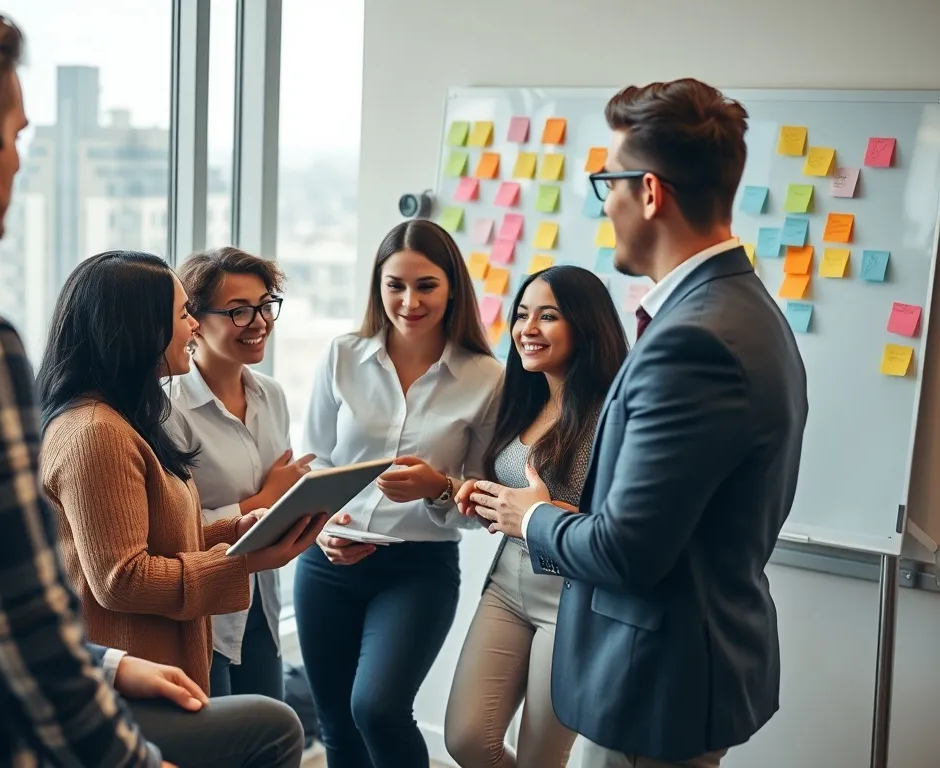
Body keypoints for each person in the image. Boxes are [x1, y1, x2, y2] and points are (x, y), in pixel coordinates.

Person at [0, 3, 303, 767]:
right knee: (274, 728)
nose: (21, 161)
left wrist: (246, 532)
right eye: (20, 137)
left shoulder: (131, 416)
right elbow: (30, 619)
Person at [469, 78, 808, 768]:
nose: (609, 206)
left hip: (656, 672)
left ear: (650, 193)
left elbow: (628, 552)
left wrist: (533, 517)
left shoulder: (696, 339)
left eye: (608, 184)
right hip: (682, 661)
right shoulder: (743, 309)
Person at [37, 250, 326, 694]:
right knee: (275, 728)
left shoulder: (126, 417)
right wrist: (244, 559)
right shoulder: (97, 431)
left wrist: (235, 530)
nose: (191, 326)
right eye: (182, 313)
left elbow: (160, 536)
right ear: (140, 329)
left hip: (165, 655)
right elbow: (124, 579)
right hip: (139, 673)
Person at [295, 218, 504, 768]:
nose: (409, 301)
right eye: (396, 285)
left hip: (419, 570)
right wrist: (323, 530)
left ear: (452, 286)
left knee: (379, 709)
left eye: (426, 285)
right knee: (337, 727)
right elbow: (314, 458)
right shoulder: (343, 355)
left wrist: (439, 488)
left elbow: (486, 496)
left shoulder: (487, 377)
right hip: (328, 564)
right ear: (378, 286)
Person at [445, 266, 629, 768]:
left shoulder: (612, 414)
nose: (527, 328)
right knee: (465, 740)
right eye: (522, 314)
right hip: (507, 585)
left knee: (540, 760)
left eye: (548, 316)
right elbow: (519, 494)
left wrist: (543, 513)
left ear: (586, 326)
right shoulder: (526, 397)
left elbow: (618, 524)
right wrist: (484, 500)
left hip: (571, 601)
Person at [170, 247, 311, 699]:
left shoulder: (271, 395)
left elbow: (284, 489)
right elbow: (171, 529)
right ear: (193, 319)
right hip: (202, 607)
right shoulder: (167, 409)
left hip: (261, 599)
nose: (260, 322)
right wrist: (265, 498)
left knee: (269, 729)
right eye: (239, 311)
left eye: (266, 305)